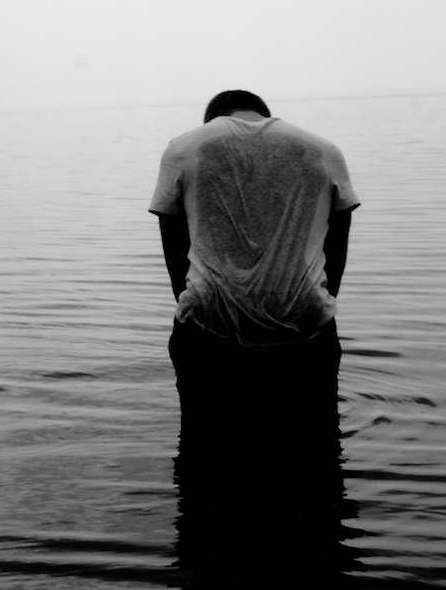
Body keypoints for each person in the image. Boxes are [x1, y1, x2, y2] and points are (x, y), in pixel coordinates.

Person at [149, 89, 359, 436]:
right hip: (304, 328)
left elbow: (176, 253)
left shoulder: (183, 150)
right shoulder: (323, 151)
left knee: (205, 448)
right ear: (264, 115)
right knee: (315, 449)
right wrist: (312, 304)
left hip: (210, 328)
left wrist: (199, 305)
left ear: (215, 119)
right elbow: (335, 249)